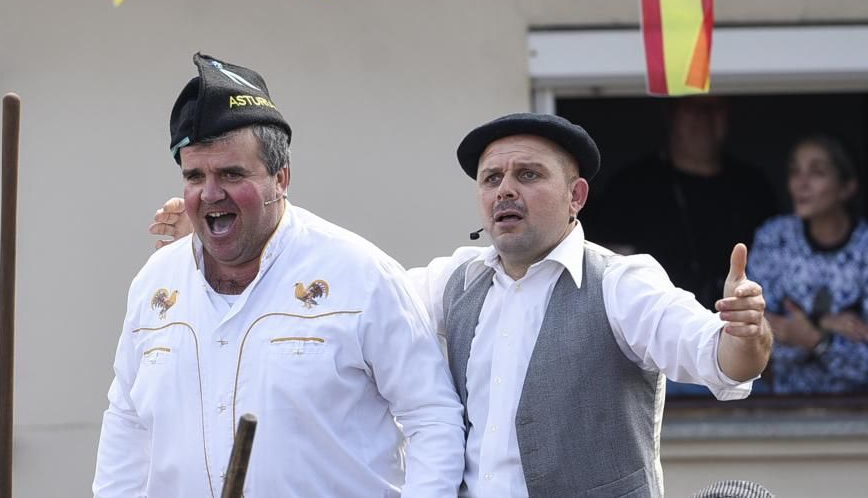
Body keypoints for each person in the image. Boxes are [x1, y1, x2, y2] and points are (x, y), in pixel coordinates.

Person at [152, 111, 772, 497]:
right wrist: (224, 223)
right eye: (491, 178)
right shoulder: (453, 281)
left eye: (528, 175)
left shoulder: (622, 283)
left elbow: (721, 359)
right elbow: (344, 292)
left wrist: (745, 331)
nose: (505, 189)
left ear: (576, 194)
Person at [94, 54, 465, 498]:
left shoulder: (359, 274)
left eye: (231, 173)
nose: (210, 193)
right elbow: (127, 421)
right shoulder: (156, 282)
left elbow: (432, 417)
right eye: (194, 176)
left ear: (281, 178)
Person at [586, 96, 777, 311]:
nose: (705, 115)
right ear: (671, 114)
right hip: (654, 324)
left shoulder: (752, 185)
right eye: (693, 107)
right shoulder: (633, 185)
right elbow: (608, 266)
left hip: (735, 321)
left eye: (715, 107)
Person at [747, 135, 868, 394]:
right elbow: (751, 333)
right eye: (795, 171)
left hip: (857, 409)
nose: (801, 183)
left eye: (817, 172)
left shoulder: (864, 247)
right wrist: (823, 323)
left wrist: (814, 340)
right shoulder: (774, 237)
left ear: (847, 187)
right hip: (780, 402)